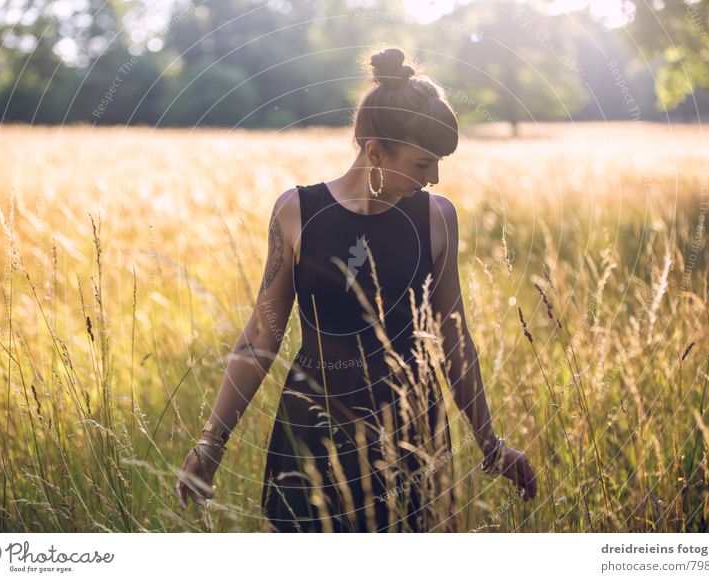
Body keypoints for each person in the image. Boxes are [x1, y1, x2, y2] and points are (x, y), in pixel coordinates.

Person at [175, 46, 537, 532]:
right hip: (313, 431)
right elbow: (261, 338)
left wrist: (491, 445)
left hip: (412, 436)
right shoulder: (297, 213)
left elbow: (455, 339)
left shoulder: (436, 218)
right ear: (374, 151)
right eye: (423, 162)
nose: (435, 178)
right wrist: (211, 444)